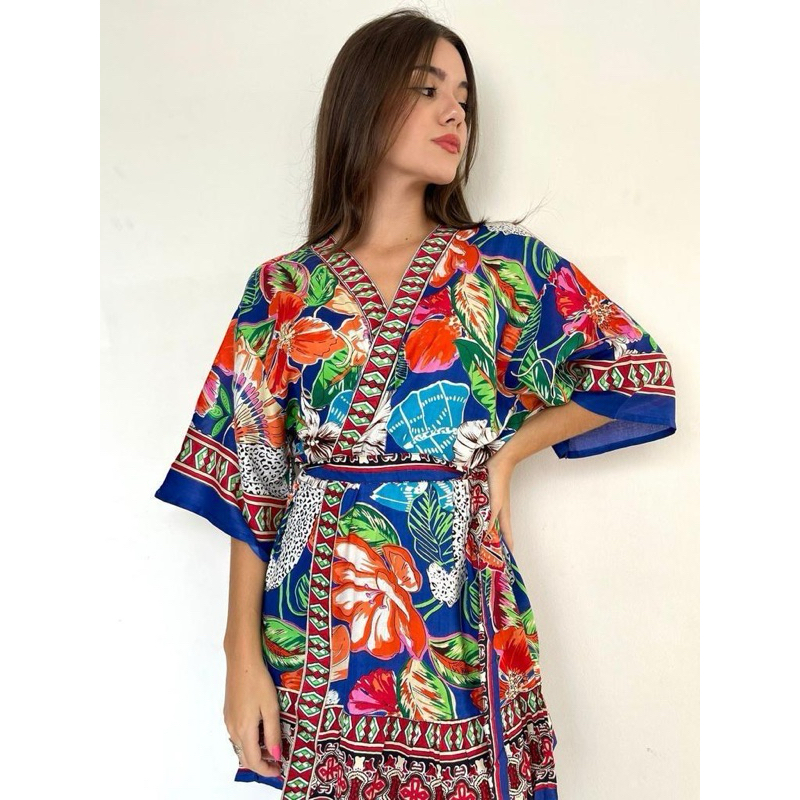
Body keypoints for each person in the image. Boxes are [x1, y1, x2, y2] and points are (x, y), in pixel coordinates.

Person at [154, 9, 677, 799]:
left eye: (463, 97)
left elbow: (637, 374)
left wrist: (509, 453)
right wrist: (240, 658)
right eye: (427, 89)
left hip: (459, 605)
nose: (454, 112)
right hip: (317, 622)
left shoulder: (504, 267)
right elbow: (253, 480)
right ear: (364, 99)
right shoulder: (282, 289)